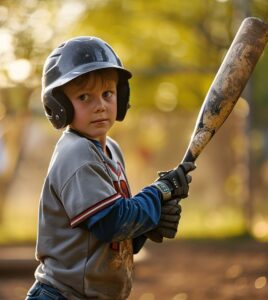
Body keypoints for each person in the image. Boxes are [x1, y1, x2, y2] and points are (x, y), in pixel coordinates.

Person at [26, 36, 195, 300]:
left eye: (107, 94)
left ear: (121, 95)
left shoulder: (111, 150)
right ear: (60, 106)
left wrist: (147, 226)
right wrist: (158, 193)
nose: (100, 105)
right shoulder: (76, 152)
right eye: (84, 97)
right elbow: (110, 223)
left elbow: (110, 240)